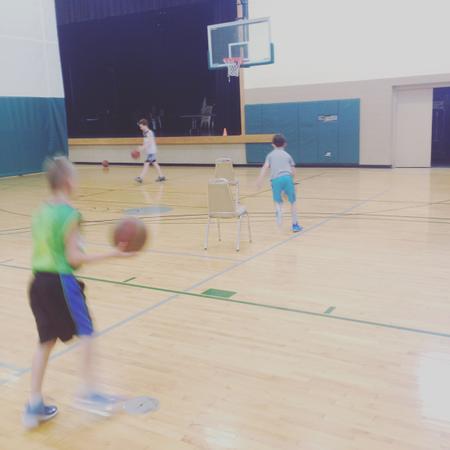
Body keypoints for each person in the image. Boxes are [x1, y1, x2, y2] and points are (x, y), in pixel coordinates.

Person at [23, 156, 133, 429]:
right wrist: (113, 254)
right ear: (68, 181)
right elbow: (73, 258)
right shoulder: (70, 214)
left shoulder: (40, 212)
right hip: (61, 283)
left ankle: (34, 403)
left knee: (46, 341)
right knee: (86, 331)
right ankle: (89, 392)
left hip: (37, 283)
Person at [256, 134, 303, 232]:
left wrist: (259, 180)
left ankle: (279, 210)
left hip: (276, 180)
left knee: (277, 201)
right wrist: (292, 182)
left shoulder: (270, 155)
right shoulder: (288, 155)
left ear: (272, 145)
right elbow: (294, 172)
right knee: (293, 202)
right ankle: (295, 225)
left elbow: (265, 167)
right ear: (285, 144)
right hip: (287, 178)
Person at [135, 119, 166, 183]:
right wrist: (141, 147)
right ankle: (161, 176)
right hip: (149, 151)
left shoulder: (150, 132)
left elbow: (149, 142)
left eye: (141, 126)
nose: (140, 128)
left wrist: (142, 148)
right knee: (155, 163)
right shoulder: (144, 133)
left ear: (145, 125)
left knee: (146, 164)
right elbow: (145, 142)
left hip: (151, 151)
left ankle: (141, 177)